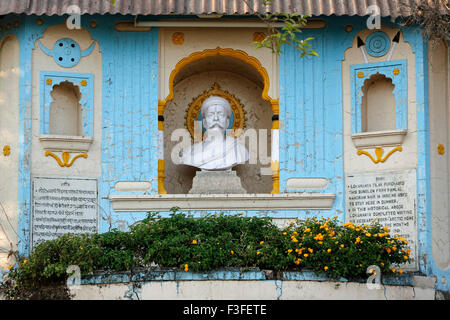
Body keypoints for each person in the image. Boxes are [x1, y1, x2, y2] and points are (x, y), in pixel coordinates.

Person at [179, 95, 249, 171]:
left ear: (227, 122)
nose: (216, 118)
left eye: (221, 114)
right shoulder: (190, 152)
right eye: (210, 115)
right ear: (204, 122)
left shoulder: (238, 149)